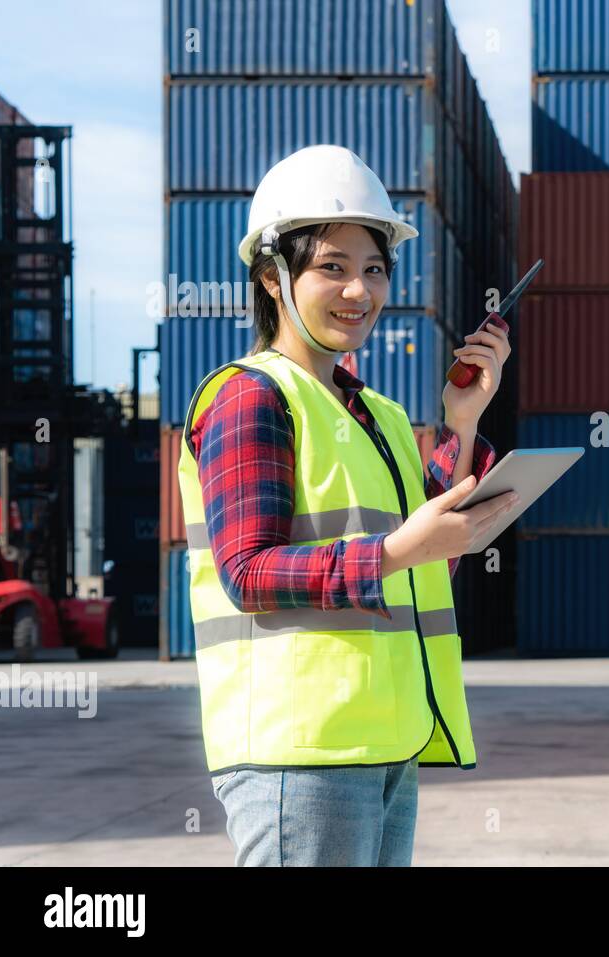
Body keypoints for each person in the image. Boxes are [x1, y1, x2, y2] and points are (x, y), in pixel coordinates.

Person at [175, 145, 517, 866]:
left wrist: (461, 419)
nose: (359, 290)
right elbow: (249, 571)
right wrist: (400, 549)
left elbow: (422, 558)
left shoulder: (382, 415)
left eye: (374, 268)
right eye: (333, 267)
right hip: (299, 751)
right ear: (271, 276)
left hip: (387, 741)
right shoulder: (250, 396)